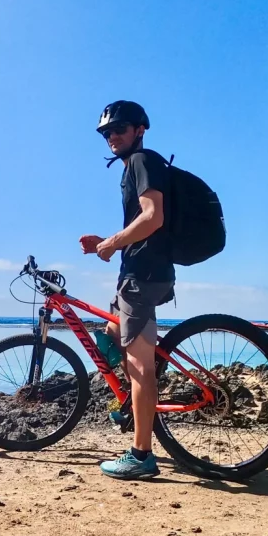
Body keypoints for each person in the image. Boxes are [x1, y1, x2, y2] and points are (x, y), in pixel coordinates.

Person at [79, 100, 174, 479]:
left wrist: (113, 242)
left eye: (119, 129)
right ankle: (132, 405)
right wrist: (109, 241)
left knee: (139, 367)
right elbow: (142, 225)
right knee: (111, 331)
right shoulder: (132, 168)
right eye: (106, 133)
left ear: (140, 130)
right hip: (139, 272)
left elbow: (154, 218)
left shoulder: (142, 161)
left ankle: (141, 456)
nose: (112, 137)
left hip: (143, 276)